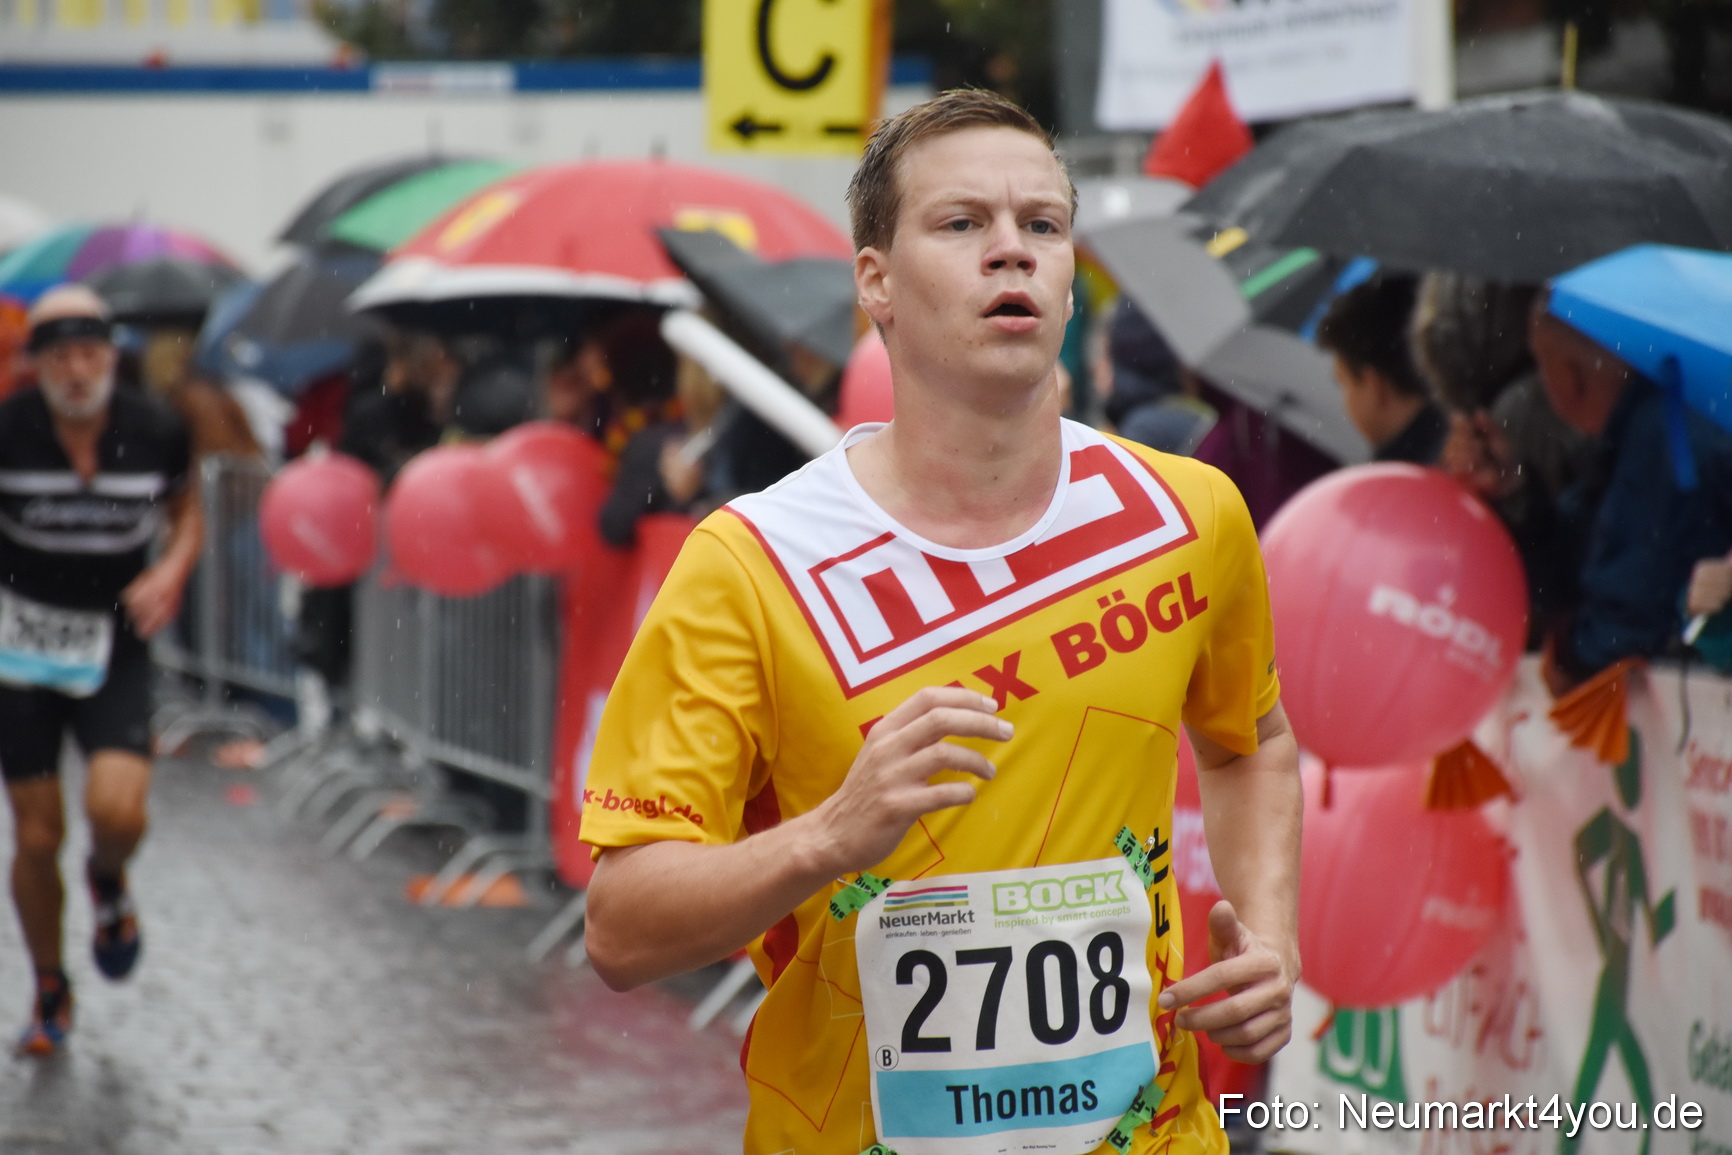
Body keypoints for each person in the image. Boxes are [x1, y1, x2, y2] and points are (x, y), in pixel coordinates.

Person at [579, 90, 1301, 1155]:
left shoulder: (1188, 516)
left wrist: (1270, 938)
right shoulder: (750, 563)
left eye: (1041, 226)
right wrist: (830, 835)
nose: (1010, 252)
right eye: (961, 224)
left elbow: (1254, 745)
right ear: (874, 280)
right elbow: (621, 927)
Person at [0, 285, 201, 1055]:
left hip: (114, 638)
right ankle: (50, 986)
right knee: (36, 830)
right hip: (21, 642)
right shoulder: (10, 431)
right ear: (37, 364)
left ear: (111, 357)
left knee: (118, 811)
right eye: (60, 355)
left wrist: (175, 565)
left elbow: (188, 509)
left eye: (89, 353)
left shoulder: (156, 428)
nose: (77, 370)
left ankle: (109, 879)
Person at [1529, 302, 1732, 688]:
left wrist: (1573, 655)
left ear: (1571, 376)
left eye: (1542, 365)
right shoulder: (1657, 424)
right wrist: (1518, 499)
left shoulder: (1665, 436)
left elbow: (1637, 606)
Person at [1315, 272, 1445, 465]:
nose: (1345, 406)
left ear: (1372, 383)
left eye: (1344, 384)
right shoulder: (1473, 446)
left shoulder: (1398, 477)